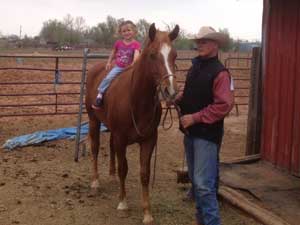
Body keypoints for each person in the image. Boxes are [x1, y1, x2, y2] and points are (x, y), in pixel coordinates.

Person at [176, 26, 234, 225]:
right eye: (198, 41)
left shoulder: (220, 73)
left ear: (215, 45)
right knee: (196, 179)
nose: (199, 45)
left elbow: (224, 105)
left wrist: (195, 118)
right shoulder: (196, 67)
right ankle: (201, 220)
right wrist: (178, 98)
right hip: (191, 133)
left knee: (203, 185)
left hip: (206, 135)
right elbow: (193, 93)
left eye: (204, 41)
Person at [92, 20, 141, 109]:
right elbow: (113, 52)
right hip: (119, 67)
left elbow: (137, 54)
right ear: (121, 33)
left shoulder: (136, 44)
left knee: (139, 82)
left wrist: (134, 63)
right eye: (124, 31)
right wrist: (109, 62)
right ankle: (100, 95)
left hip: (130, 68)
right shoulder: (118, 43)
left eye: (129, 30)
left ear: (134, 31)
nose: (127, 33)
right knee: (108, 78)